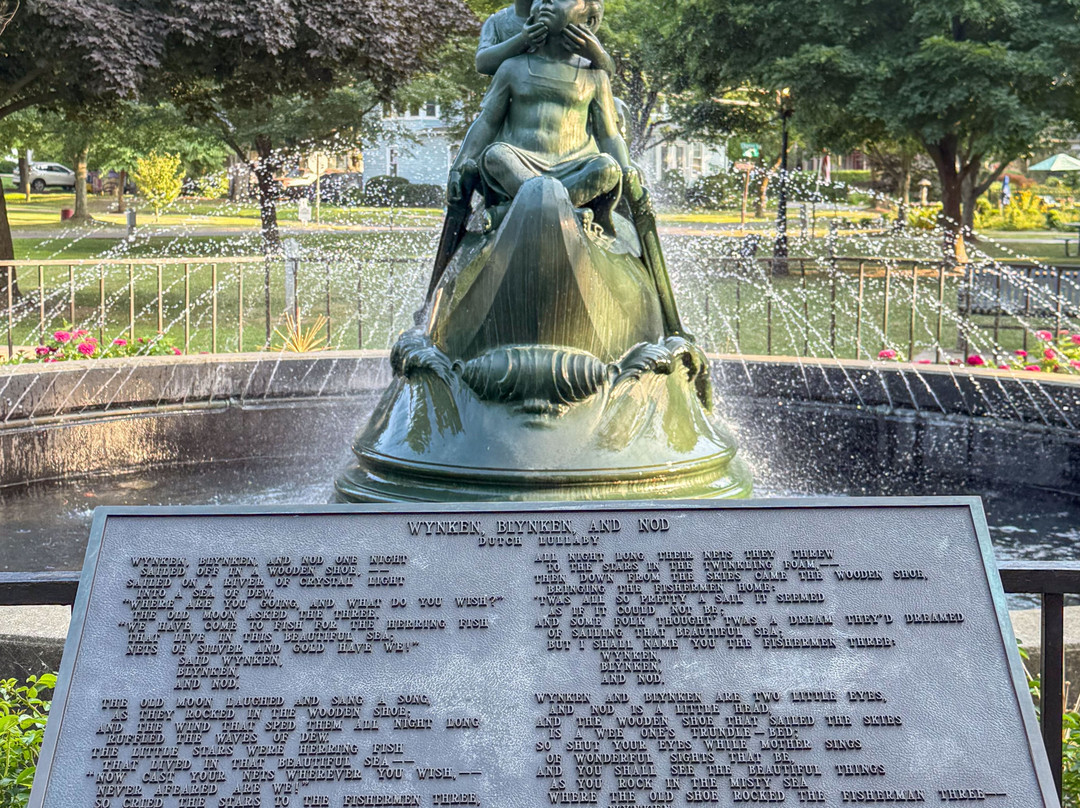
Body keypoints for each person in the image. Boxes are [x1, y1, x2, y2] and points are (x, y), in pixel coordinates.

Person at [449, 0, 632, 237]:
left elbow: (609, 134)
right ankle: (563, 210)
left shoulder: (595, 76)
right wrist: (458, 165)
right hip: (522, 165)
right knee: (495, 155)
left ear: (587, 18)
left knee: (607, 168)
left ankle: (517, 211)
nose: (545, 0)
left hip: (574, 166)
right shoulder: (511, 67)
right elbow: (487, 121)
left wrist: (626, 170)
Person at [475, 0, 613, 77]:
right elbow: (482, 64)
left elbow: (606, 72)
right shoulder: (498, 21)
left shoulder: (559, 16)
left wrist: (597, 55)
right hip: (509, 100)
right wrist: (522, 40)